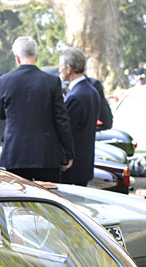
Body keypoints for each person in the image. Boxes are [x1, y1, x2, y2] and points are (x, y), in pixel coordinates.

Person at [0, 36, 74, 183]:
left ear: (17, 58)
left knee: (18, 202)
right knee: (48, 201)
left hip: (15, 153)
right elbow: (62, 120)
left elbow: (0, 114)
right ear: (36, 57)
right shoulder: (51, 81)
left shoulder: (4, 81)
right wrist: (68, 152)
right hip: (45, 154)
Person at [58, 47, 100, 187]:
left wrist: (65, 157)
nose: (59, 70)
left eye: (61, 66)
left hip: (74, 167)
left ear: (69, 68)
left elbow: (68, 131)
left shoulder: (76, 95)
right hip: (85, 163)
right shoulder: (91, 90)